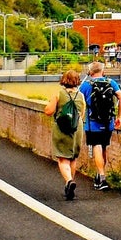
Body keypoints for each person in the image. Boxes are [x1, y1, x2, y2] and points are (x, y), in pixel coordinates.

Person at [79, 60, 121, 191]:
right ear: (103, 71)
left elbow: (79, 102)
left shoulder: (86, 85)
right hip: (108, 122)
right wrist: (119, 117)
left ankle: (102, 177)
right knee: (103, 147)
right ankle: (100, 175)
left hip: (93, 123)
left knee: (96, 147)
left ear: (90, 72)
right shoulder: (111, 83)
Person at [43, 68, 84, 200]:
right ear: (77, 81)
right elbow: (81, 114)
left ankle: (68, 181)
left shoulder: (59, 94)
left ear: (64, 80)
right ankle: (69, 185)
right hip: (76, 128)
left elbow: (49, 111)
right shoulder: (81, 96)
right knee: (72, 157)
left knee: (62, 158)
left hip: (62, 128)